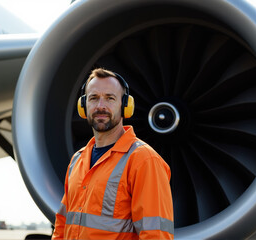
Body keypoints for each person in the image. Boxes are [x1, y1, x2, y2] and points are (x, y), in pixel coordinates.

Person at [52, 68, 174, 239]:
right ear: (83, 106)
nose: (101, 106)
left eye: (110, 98)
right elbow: (62, 224)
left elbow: (156, 234)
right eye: (94, 98)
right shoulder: (78, 160)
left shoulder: (144, 160)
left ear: (125, 106)